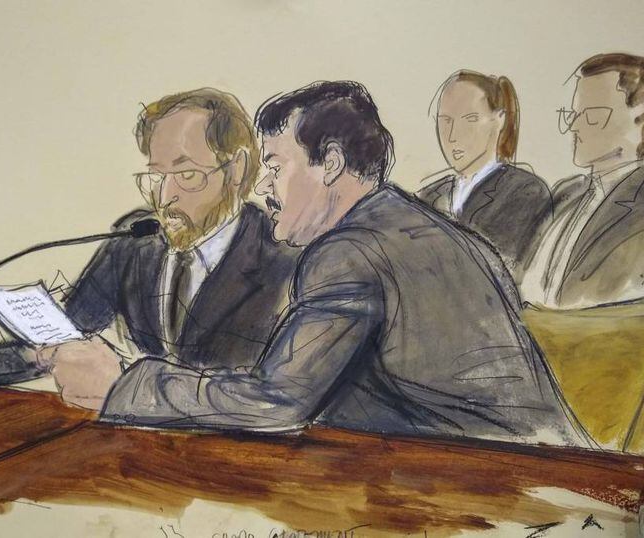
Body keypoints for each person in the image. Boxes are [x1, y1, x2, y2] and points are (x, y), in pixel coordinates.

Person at [56, 81, 587, 446]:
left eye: (275, 166)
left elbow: (276, 402)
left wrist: (123, 385)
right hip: (524, 462)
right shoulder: (416, 228)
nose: (264, 187)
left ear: (330, 163)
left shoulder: (349, 253)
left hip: (501, 479)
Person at [0, 88, 299, 411]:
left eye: (187, 174)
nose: (166, 198)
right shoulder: (137, 240)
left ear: (237, 170)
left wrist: (122, 384)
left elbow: (268, 395)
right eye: (156, 176)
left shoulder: (288, 258)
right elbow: (65, 335)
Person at [522, 53, 644, 309]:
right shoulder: (568, 193)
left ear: (640, 120)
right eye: (574, 114)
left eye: (592, 115)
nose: (574, 127)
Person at [416, 70, 553, 284]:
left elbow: (501, 275)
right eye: (445, 121)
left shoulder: (526, 192)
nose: (452, 136)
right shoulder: (428, 196)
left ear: (499, 120)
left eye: (470, 119)